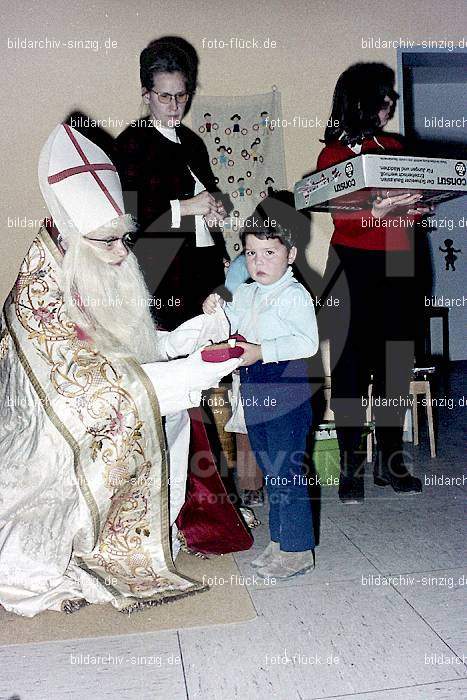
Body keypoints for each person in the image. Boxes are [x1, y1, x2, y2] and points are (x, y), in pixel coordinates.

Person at [0, 124, 251, 618]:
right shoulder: (42, 291)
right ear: (72, 235)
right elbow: (92, 390)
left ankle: (143, 537)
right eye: (108, 242)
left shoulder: (95, 261)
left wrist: (191, 337)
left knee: (169, 415)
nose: (122, 252)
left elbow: (133, 347)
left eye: (125, 237)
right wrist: (193, 373)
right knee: (152, 407)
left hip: (94, 409)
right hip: (46, 440)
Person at [317, 63, 429, 503]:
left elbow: (412, 208)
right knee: (349, 369)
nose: (391, 103)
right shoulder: (333, 155)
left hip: (400, 263)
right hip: (353, 266)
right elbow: (344, 221)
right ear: (360, 100)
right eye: (384, 96)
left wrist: (416, 208)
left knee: (394, 366)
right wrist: (374, 214)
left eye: (391, 96)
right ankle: (351, 468)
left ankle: (391, 463)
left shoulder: (397, 146)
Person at [203, 217, 319, 579]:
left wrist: (262, 350)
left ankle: (298, 550)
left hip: (285, 385)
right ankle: (280, 540)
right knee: (270, 467)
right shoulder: (247, 292)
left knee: (287, 469)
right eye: (251, 253)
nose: (259, 261)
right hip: (253, 384)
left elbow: (307, 343)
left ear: (291, 255)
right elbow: (231, 322)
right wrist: (216, 309)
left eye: (270, 252)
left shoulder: (294, 294)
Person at [113, 37, 230, 330]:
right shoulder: (132, 144)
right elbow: (129, 217)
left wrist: (215, 213)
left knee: (212, 358)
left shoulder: (193, 143)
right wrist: (187, 207)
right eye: (165, 96)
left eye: (182, 95)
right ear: (146, 95)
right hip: (163, 278)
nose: (175, 105)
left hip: (205, 270)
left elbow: (206, 205)